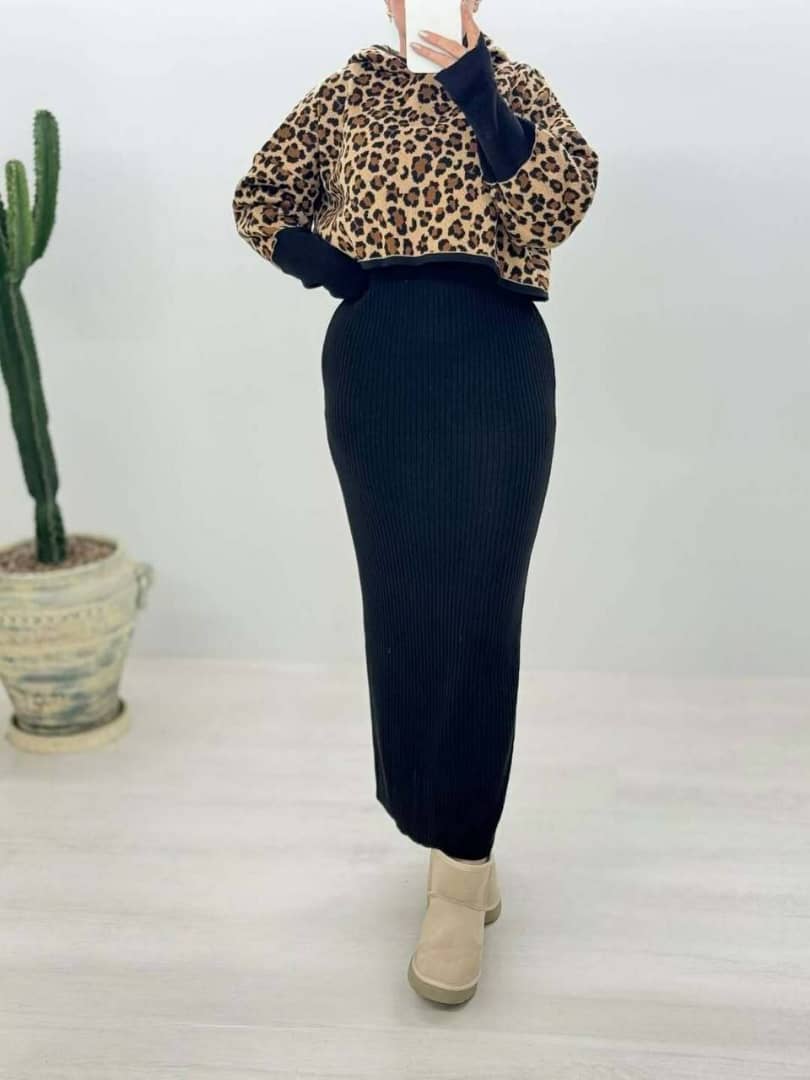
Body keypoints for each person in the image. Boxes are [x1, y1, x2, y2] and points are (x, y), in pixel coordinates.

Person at [232, 0, 599, 1005]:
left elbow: (561, 199)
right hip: (379, 365)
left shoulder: (515, 85)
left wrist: (479, 90)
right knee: (405, 608)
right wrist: (326, 264)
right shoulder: (347, 92)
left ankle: (462, 864)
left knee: (480, 613)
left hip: (495, 355)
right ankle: (450, 836)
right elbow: (260, 195)